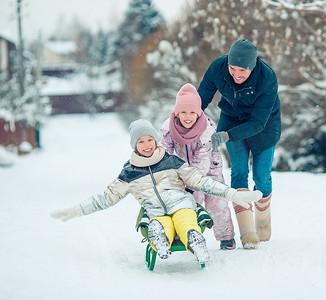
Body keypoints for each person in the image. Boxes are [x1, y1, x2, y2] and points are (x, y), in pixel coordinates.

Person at [50, 119, 262, 265]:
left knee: (185, 218)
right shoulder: (129, 173)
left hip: (181, 204)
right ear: (134, 145)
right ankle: (160, 240)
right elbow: (105, 199)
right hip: (155, 211)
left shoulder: (171, 161)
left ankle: (195, 240)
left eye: (149, 139)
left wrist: (233, 194)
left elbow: (201, 182)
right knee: (161, 223)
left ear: (155, 140)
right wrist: (76, 211)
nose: (147, 145)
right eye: (141, 141)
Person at [197, 38, 281, 249]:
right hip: (232, 118)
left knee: (261, 177)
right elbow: (201, 99)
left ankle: (262, 220)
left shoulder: (267, 78)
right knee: (239, 172)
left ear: (252, 66)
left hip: (264, 126)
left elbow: (257, 123)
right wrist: (187, 119)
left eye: (242, 70)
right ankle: (247, 231)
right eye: (232, 68)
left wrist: (226, 136)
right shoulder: (218, 68)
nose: (236, 74)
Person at [160, 83, 236, 250]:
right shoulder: (169, 129)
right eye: (183, 112)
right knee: (190, 203)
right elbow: (165, 154)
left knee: (217, 204)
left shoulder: (206, 130)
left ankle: (226, 238)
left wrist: (191, 182)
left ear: (198, 113)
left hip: (210, 172)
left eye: (192, 112)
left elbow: (202, 161)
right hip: (184, 174)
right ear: (177, 113)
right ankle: (190, 235)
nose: (188, 116)